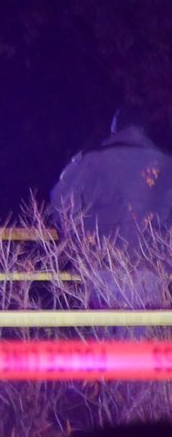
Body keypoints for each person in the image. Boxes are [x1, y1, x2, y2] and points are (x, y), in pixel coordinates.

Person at [51, 104, 172, 309]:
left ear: (115, 129)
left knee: (105, 334)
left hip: (104, 264)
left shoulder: (92, 160)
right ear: (144, 129)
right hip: (151, 266)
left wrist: (78, 241)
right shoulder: (166, 164)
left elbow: (60, 199)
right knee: (139, 335)